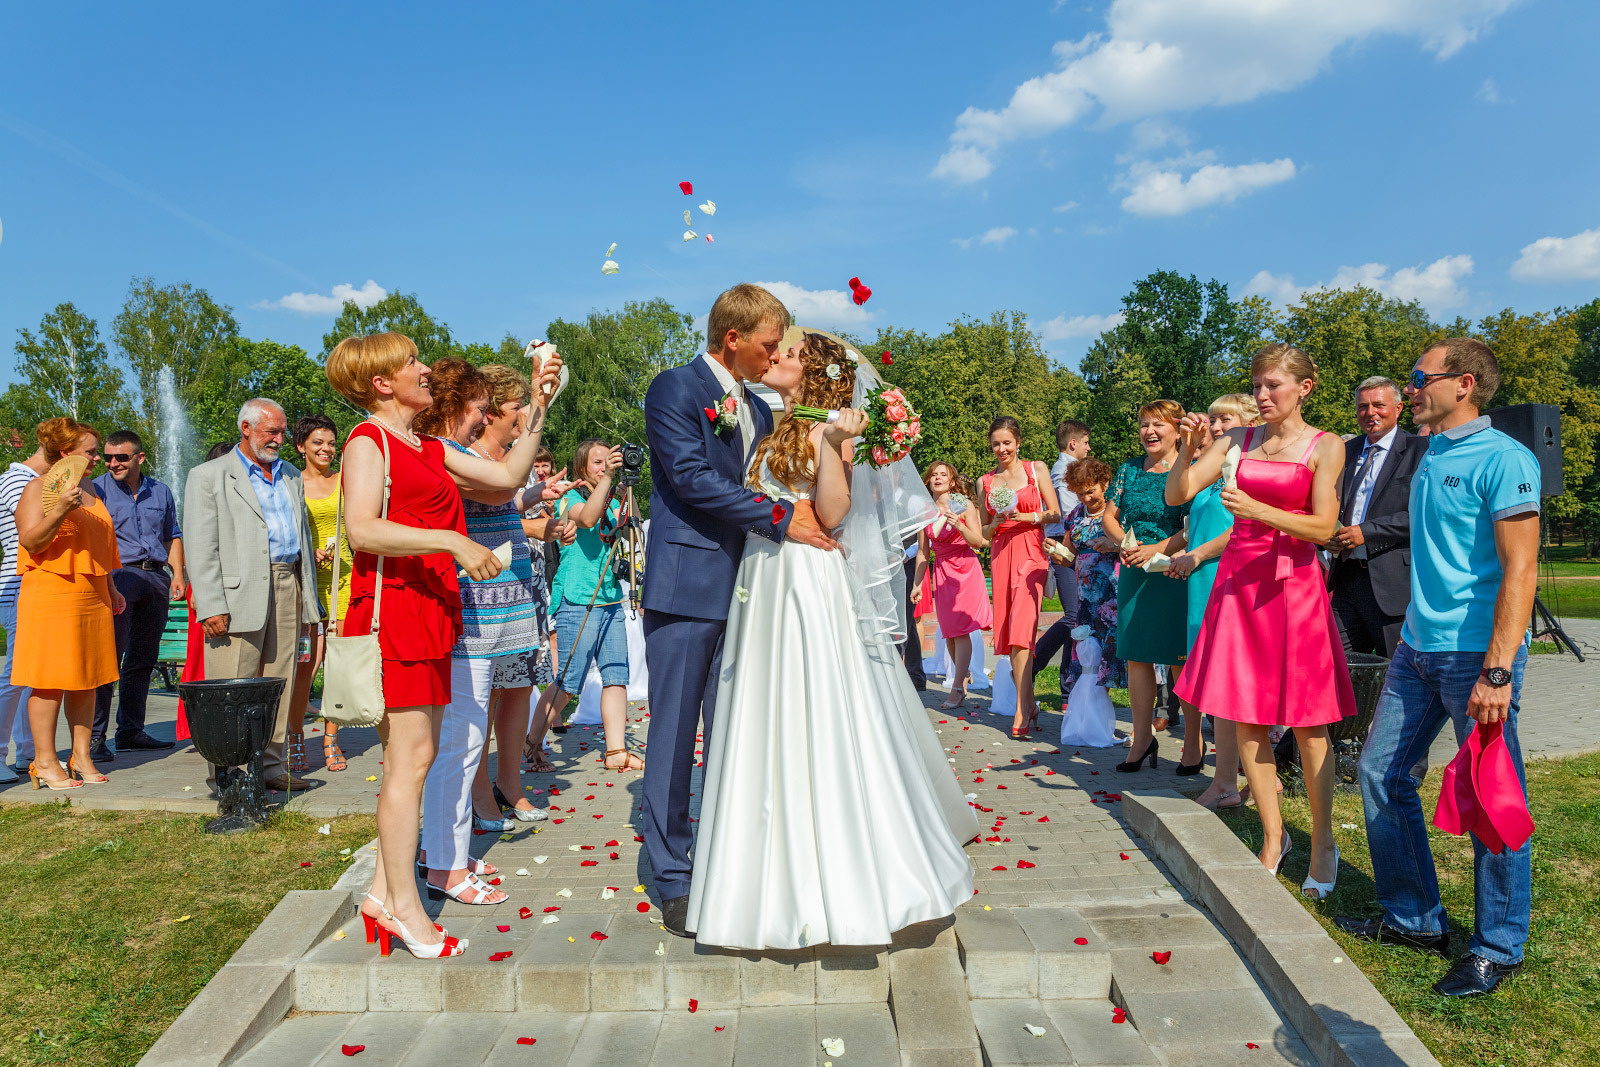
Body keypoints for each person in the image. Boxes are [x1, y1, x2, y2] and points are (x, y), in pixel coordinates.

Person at [686, 329, 977, 949]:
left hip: (807, 578)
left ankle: (840, 870)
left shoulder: (827, 430)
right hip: (764, 577)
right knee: (769, 711)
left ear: (812, 373)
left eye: (788, 354)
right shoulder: (769, 422)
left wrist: (838, 445)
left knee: (814, 706)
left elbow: (836, 514)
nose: (775, 358)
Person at [327, 331, 558, 960]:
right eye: (410, 363)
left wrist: (538, 402)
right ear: (380, 382)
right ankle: (405, 908)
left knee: (418, 758)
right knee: (412, 760)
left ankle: (382, 893)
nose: (424, 368)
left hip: (433, 608)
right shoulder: (367, 441)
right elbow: (362, 529)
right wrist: (453, 543)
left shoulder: (426, 445)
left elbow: (509, 475)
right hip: (395, 610)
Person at [1336, 339, 1541, 998]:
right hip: (1417, 650)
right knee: (1379, 772)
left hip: (1476, 656)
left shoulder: (1506, 459)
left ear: (1468, 383)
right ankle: (1415, 918)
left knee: (1491, 796)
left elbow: (1522, 569)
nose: (1412, 386)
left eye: (1421, 377)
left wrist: (1499, 672)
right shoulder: (1432, 454)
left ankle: (1499, 945)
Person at [640, 283, 837, 938]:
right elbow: (693, 477)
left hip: (753, 595)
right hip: (687, 584)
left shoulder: (754, 404)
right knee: (672, 737)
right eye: (768, 343)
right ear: (734, 340)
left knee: (732, 732)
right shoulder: (676, 389)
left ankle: (726, 857)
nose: (775, 352)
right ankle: (671, 872)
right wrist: (786, 519)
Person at [1168, 343, 1354, 901]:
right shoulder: (1237, 440)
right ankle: (1274, 837)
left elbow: (1324, 529)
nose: (1262, 394)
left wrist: (1261, 512)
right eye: (1256, 385)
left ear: (1305, 388)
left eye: (1274, 385)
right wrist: (1188, 447)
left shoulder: (1327, 446)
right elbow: (1178, 491)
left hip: (1294, 588)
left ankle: (1322, 841)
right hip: (1239, 585)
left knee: (1308, 722)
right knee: (1245, 717)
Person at [410, 359, 550, 906]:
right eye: (479, 407)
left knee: (457, 739)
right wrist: (539, 402)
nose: (485, 416)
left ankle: (440, 854)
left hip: (457, 604)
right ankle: (443, 863)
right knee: (456, 741)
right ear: (456, 406)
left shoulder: (439, 451)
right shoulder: (444, 452)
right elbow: (506, 485)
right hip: (457, 607)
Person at [184, 399, 322, 793]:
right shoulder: (208, 475)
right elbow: (200, 545)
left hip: (285, 585)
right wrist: (210, 604)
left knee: (278, 682)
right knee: (232, 687)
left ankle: (272, 768)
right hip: (235, 596)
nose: (280, 439)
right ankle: (227, 775)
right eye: (271, 432)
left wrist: (307, 599)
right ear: (245, 428)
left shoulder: (292, 475)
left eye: (282, 431)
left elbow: (302, 538)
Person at [13, 418, 124, 788]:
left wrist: (111, 587)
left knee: (88, 678)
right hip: (52, 593)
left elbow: (101, 545)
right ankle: (43, 761)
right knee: (49, 680)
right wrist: (60, 508)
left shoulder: (92, 489)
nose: (96, 459)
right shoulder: (38, 489)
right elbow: (31, 542)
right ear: (66, 454)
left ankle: (81, 755)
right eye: (90, 452)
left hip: (92, 594)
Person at [524, 439, 637, 771]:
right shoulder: (569, 498)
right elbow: (587, 519)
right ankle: (531, 745)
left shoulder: (613, 497)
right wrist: (608, 480)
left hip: (610, 595)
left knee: (616, 675)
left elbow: (625, 532)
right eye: (597, 463)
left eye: (608, 461)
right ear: (582, 469)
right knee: (568, 681)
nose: (604, 467)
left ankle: (616, 752)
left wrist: (625, 489)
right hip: (578, 596)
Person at [1175, 394, 1258, 809]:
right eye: (1213, 418)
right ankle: (1228, 778)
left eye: (1225, 418)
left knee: (1232, 682)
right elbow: (1181, 503)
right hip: (1202, 580)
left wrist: (1198, 554)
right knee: (1215, 685)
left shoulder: (1252, 463)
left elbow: (1248, 525)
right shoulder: (1214, 465)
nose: (1217, 424)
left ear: (1248, 422)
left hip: (1230, 577)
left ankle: (1249, 777)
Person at [1103, 401, 1191, 772]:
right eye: (1143, 424)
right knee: (1137, 655)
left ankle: (1193, 742)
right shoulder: (1128, 469)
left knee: (1177, 660)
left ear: (1177, 429)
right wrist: (1126, 544)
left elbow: (1195, 525)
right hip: (1134, 571)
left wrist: (1156, 550)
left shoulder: (1191, 468)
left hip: (1174, 570)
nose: (1149, 431)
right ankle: (1142, 739)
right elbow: (1109, 515)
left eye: (1158, 424)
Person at [90, 430, 184, 762]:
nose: (113, 463)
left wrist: (178, 576)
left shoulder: (161, 491)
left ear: (139, 458)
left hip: (155, 578)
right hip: (118, 578)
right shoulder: (95, 490)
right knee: (108, 660)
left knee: (142, 660)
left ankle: (130, 732)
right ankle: (95, 738)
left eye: (121, 457)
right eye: (108, 457)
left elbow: (172, 535)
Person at [1327, 377, 1425, 658]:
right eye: (1362, 406)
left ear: (1398, 408)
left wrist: (1366, 532)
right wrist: (1326, 537)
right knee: (1335, 668)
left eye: (1379, 405)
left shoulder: (1421, 451)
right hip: (1345, 579)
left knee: (1394, 672)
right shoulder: (1344, 451)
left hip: (1393, 583)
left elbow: (1421, 516)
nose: (1370, 413)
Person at [980, 417, 1062, 739]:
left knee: (1022, 629)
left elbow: (1055, 513)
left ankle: (1019, 707)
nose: (1002, 449)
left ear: (1018, 442)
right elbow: (984, 533)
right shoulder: (984, 481)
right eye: (996, 444)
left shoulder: (1035, 469)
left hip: (1031, 552)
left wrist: (1028, 515)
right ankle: (1029, 703)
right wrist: (996, 521)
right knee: (1011, 633)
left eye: (1007, 443)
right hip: (1001, 554)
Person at [289, 415, 351, 773]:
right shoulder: (290, 484)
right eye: (317, 443)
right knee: (305, 666)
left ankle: (331, 738)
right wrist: (306, 551)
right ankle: (295, 736)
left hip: (345, 580)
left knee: (339, 666)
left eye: (330, 443)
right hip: (307, 585)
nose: (326, 449)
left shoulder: (345, 481)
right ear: (301, 447)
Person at [912, 461, 991, 709]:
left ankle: (957, 688)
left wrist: (959, 525)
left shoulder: (964, 506)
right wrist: (916, 584)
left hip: (965, 569)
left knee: (962, 629)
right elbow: (923, 553)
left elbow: (979, 542)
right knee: (949, 632)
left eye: (943, 475)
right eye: (933, 475)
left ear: (952, 481)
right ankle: (962, 677)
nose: (937, 478)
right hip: (942, 571)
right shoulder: (925, 512)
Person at [174, 441, 238, 744]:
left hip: (232, 589)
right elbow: (196, 543)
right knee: (202, 660)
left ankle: (223, 722)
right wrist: (198, 591)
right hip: (206, 592)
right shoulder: (206, 491)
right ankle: (200, 726)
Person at [1056, 458, 1126, 718]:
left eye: (1091, 490)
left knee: (1111, 650)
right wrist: (1054, 552)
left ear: (1105, 483)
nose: (1086, 498)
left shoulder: (1118, 512)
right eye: (1080, 492)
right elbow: (1068, 555)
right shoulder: (1075, 515)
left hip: (1112, 594)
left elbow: (1135, 545)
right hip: (1085, 596)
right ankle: (1091, 712)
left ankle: (1120, 713)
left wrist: (1113, 546)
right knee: (1088, 650)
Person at [0, 442, 49, 781]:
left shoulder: (33, 480)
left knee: (29, 677)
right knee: (15, 675)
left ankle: (27, 753)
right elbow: (34, 532)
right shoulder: (19, 481)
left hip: (32, 587)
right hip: (19, 588)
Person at [1033, 420, 1091, 696]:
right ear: (1073, 443)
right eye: (1086, 442)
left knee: (1078, 617)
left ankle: (1069, 684)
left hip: (1071, 541)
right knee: (1072, 616)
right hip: (1065, 542)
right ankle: (1034, 663)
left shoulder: (1067, 468)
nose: (1088, 448)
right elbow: (1070, 512)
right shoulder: (1064, 470)